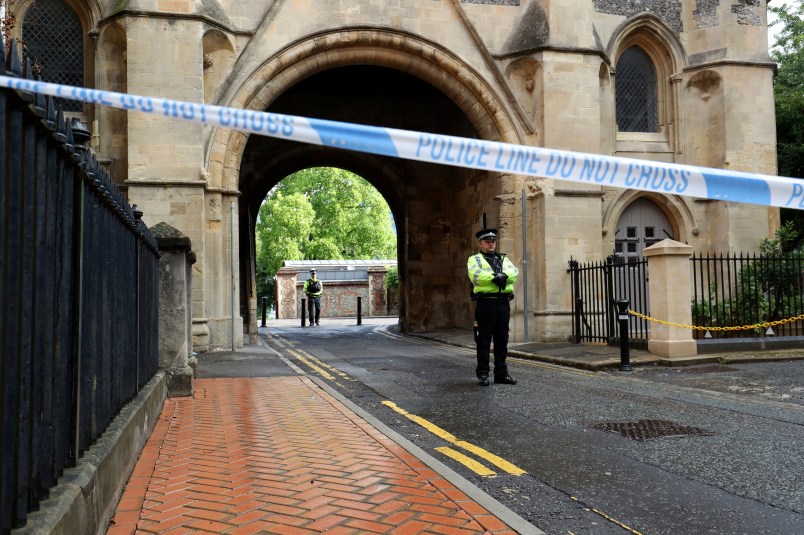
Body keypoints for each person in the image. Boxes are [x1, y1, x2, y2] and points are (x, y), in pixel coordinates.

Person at [467, 228, 519, 386]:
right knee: (483, 340)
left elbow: (514, 273)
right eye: (488, 241)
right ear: (481, 243)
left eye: (493, 241)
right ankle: (483, 374)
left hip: (503, 303)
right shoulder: (474, 259)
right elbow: (477, 276)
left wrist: (505, 276)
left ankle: (501, 374)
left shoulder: (503, 259)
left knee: (502, 339)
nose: (491, 244)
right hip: (486, 303)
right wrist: (496, 277)